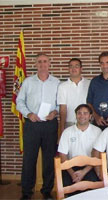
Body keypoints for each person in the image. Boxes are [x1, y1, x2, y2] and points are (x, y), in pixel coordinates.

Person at [16, 53, 60, 200]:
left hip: (50, 125)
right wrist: (29, 114)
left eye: (45, 61)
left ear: (49, 63)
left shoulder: (56, 82)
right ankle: (26, 192)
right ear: (35, 64)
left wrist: (55, 112)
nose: (42, 64)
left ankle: (47, 190)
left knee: (48, 159)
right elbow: (19, 102)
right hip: (32, 124)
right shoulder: (28, 82)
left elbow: (60, 104)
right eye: (39, 62)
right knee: (29, 159)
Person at [57, 104, 101, 192]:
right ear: (76, 115)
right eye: (79, 113)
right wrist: (72, 173)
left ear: (90, 116)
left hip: (90, 168)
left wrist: (84, 172)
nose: (82, 116)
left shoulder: (97, 131)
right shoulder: (67, 132)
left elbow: (98, 156)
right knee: (71, 192)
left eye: (85, 113)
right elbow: (63, 155)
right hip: (70, 167)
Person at [57, 58, 90, 132]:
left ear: (81, 69)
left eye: (76, 66)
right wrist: (61, 130)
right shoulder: (62, 86)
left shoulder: (89, 84)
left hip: (87, 124)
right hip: (70, 124)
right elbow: (62, 110)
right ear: (68, 69)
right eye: (71, 66)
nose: (73, 68)